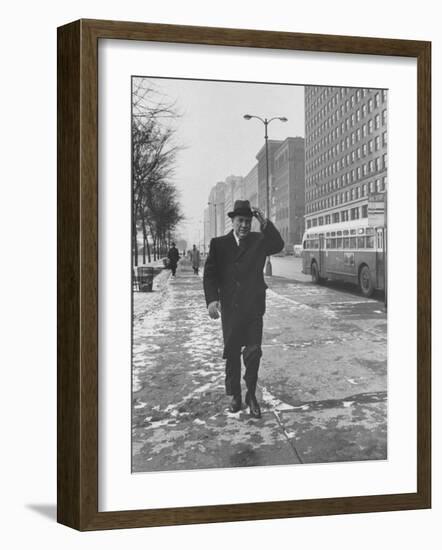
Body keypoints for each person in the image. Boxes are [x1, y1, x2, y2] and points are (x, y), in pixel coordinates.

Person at [203, 200, 284, 418]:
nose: (245, 226)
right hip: (230, 308)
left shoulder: (259, 240)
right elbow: (210, 274)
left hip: (253, 308)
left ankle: (251, 395)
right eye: (241, 221)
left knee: (253, 352)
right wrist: (211, 300)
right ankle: (235, 396)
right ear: (233, 221)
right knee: (232, 354)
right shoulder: (219, 244)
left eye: (248, 221)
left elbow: (278, 244)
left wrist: (263, 220)